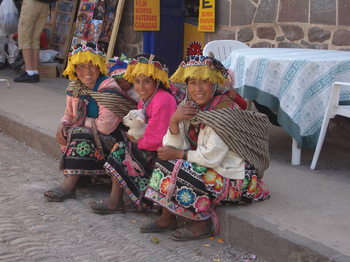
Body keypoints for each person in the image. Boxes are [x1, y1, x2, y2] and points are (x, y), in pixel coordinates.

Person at [140, 55, 270, 241]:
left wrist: (178, 154)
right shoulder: (189, 106)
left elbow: (212, 157)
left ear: (215, 84)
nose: (198, 88)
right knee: (165, 161)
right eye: (192, 82)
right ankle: (167, 217)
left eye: (205, 82)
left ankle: (201, 223)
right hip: (211, 168)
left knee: (183, 168)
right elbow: (175, 145)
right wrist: (174, 121)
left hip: (234, 177)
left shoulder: (225, 110)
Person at [43, 42, 138, 202]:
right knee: (70, 131)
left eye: (91, 66)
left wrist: (79, 121)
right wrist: (63, 124)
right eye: (80, 66)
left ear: (99, 67)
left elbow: (106, 126)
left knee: (80, 132)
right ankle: (83, 175)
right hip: (93, 134)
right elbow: (69, 114)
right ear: (74, 68)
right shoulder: (75, 88)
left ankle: (70, 183)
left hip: (116, 138)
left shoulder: (108, 87)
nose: (86, 71)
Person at [89, 54, 177, 213]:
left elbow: (157, 139)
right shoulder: (147, 99)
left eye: (147, 81)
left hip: (164, 151)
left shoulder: (162, 99)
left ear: (157, 81)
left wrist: (133, 140)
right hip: (152, 146)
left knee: (122, 149)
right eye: (137, 81)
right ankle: (117, 199)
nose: (141, 87)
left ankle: (117, 200)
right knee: (122, 145)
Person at [13, 0, 48, 83]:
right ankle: (34, 72)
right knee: (35, 39)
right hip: (44, 4)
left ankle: (29, 72)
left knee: (24, 38)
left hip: (31, 3)